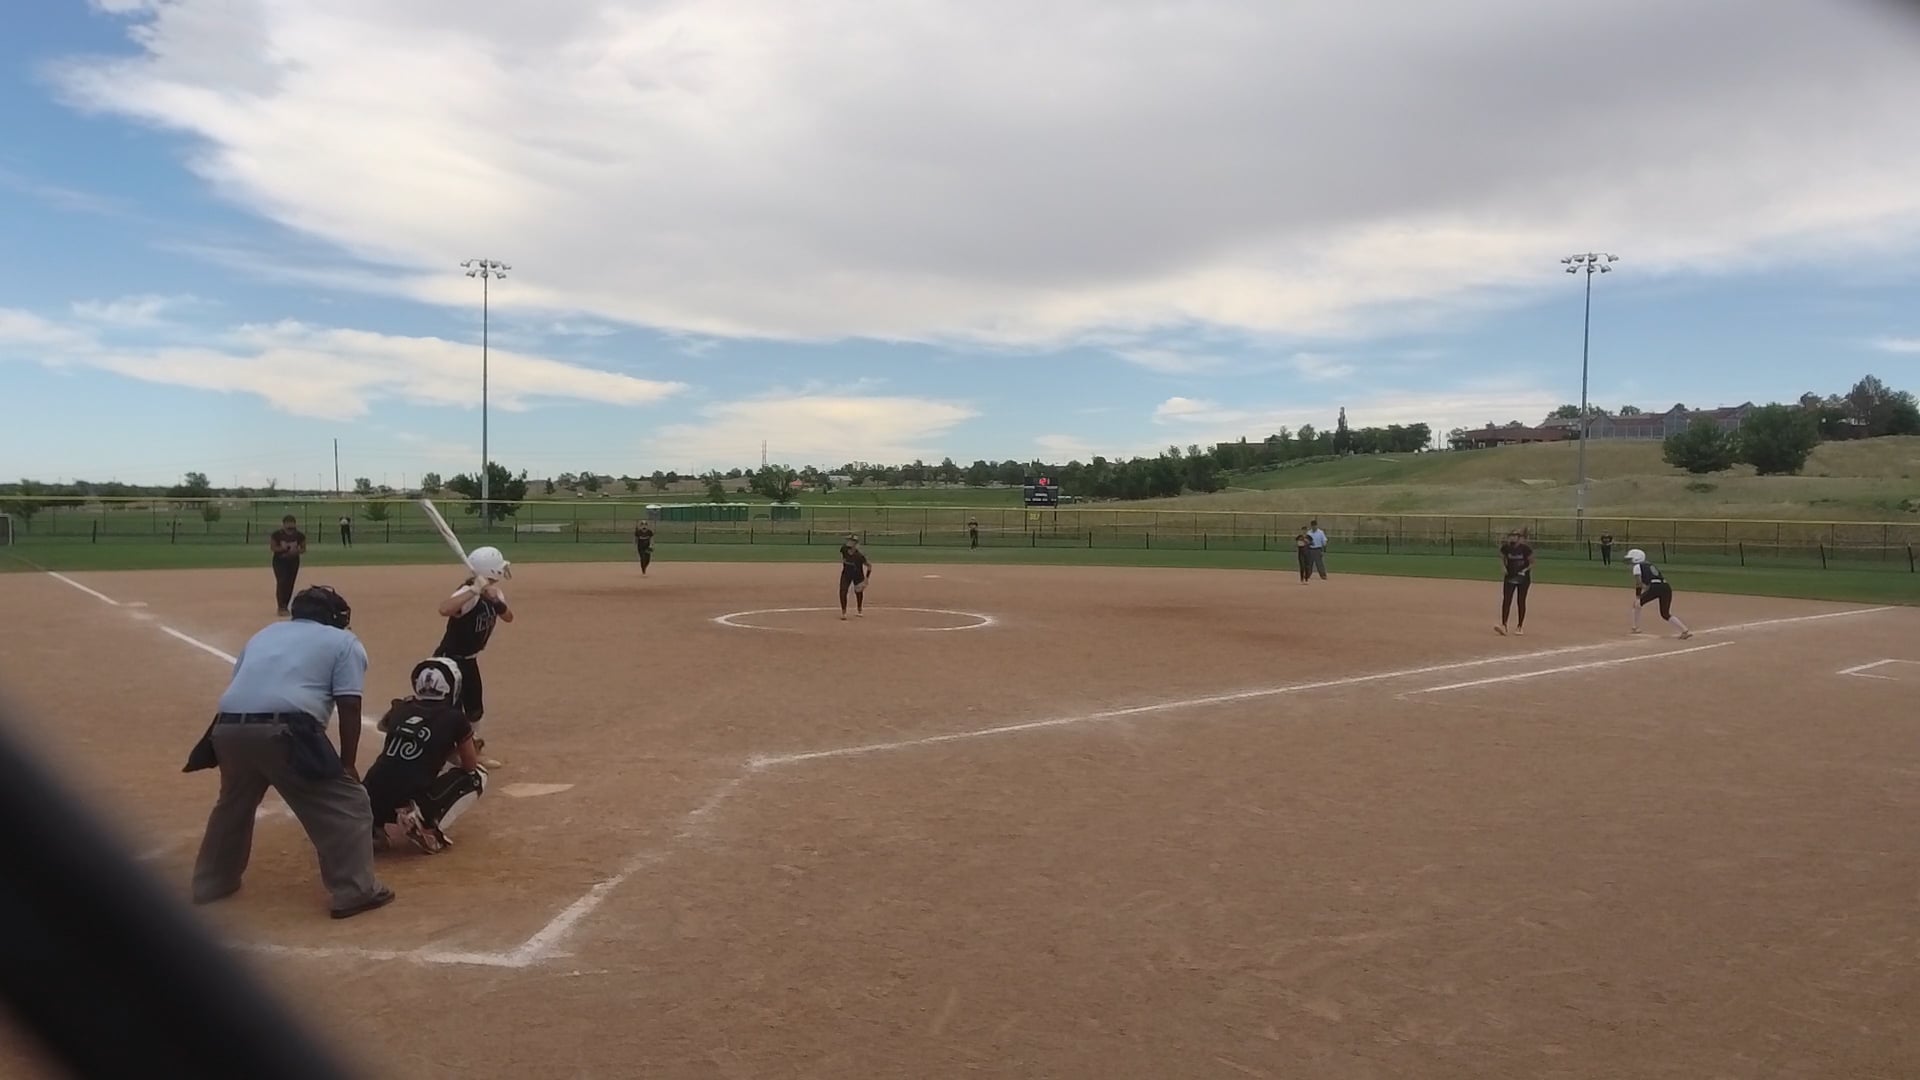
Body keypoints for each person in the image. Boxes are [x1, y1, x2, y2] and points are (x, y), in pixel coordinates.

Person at [184, 585, 393, 919]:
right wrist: (348, 764)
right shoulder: (343, 642)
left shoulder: (264, 635)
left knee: (233, 806)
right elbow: (349, 705)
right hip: (287, 732)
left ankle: (212, 883)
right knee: (348, 805)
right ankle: (355, 891)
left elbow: (244, 685)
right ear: (334, 617)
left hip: (226, 730)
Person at [363, 658, 486, 855]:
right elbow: (469, 765)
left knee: (392, 768)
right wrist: (462, 747)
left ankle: (373, 828)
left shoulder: (401, 707)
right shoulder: (455, 718)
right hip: (407, 790)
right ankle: (425, 824)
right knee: (477, 776)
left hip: (370, 792)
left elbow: (383, 726)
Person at [434, 546, 513, 767]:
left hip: (469, 659)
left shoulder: (495, 593)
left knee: (475, 710)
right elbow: (444, 609)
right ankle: (445, 749)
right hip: (449, 660)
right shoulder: (468, 593)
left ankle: (470, 750)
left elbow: (508, 617)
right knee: (447, 708)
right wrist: (474, 591)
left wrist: (495, 601)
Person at [1626, 548, 1692, 639]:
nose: (1630, 561)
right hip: (1665, 587)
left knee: (1636, 604)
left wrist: (1638, 596)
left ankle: (1635, 628)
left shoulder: (1637, 566)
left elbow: (1639, 583)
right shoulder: (1650, 565)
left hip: (1655, 587)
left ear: (1636, 558)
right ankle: (1684, 630)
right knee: (1665, 613)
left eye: (1631, 559)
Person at [1495, 529, 1534, 636]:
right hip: (1510, 576)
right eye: (1511, 535)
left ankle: (1520, 626)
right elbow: (1502, 557)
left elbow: (1532, 562)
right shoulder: (1506, 548)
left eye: (1514, 536)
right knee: (1507, 600)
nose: (1512, 538)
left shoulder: (1525, 549)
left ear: (1519, 538)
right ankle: (1504, 625)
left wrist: (1524, 570)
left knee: (1521, 601)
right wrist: (1503, 566)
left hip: (1523, 578)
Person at [268, 515, 306, 616]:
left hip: (293, 561)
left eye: (292, 524)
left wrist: (296, 551)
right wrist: (283, 549)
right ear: (284, 524)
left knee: (290, 583)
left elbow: (303, 548)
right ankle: (281, 606)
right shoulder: (277, 535)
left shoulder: (299, 535)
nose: (290, 526)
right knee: (282, 581)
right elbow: (273, 548)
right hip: (280, 561)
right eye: (288, 524)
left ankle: (286, 605)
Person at [838, 534, 872, 620]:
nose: (848, 542)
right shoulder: (844, 549)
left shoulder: (859, 556)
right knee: (843, 591)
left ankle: (859, 609)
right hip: (846, 574)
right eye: (848, 540)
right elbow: (843, 556)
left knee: (858, 592)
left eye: (851, 541)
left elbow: (869, 566)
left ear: (855, 543)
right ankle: (844, 612)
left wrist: (866, 579)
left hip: (858, 575)